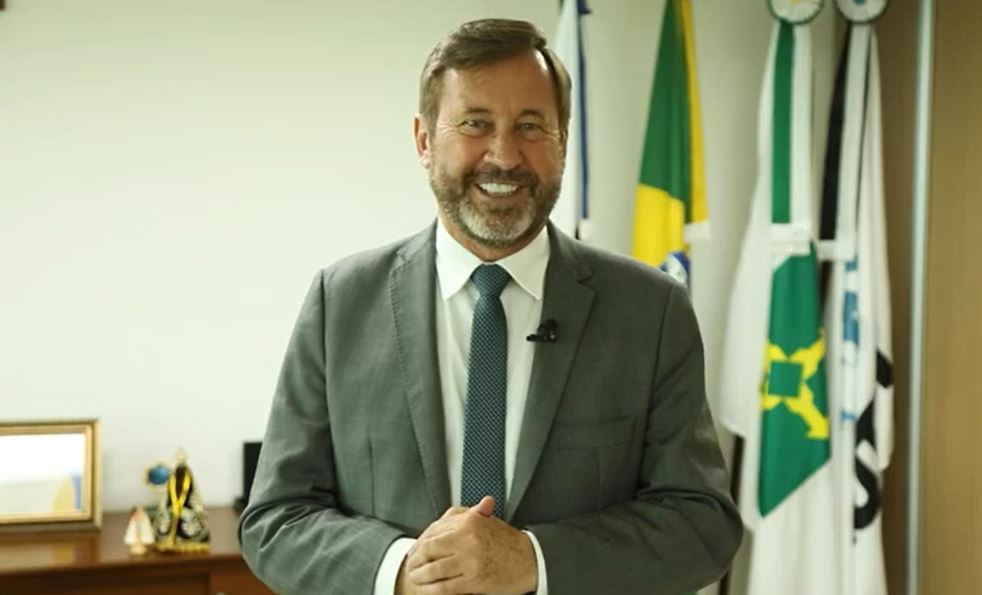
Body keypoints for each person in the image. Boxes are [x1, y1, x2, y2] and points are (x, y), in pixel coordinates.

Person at [239, 18, 742, 595]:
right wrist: (402, 570)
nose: (504, 155)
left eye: (530, 126)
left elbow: (702, 525)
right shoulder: (341, 302)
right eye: (475, 123)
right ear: (424, 141)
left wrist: (533, 560)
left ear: (563, 141)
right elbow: (275, 519)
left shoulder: (651, 310)